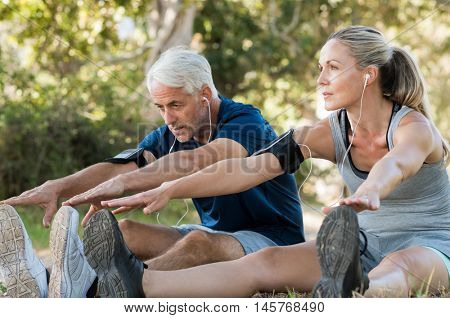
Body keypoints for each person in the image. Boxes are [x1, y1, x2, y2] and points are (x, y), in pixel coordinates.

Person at [92, 25, 449, 297]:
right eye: (320, 67)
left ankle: (354, 293)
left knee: (400, 266)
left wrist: (371, 190)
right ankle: (140, 284)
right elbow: (249, 169)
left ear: (368, 74)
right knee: (264, 262)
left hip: (429, 243)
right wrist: (172, 187)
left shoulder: (414, 127)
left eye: (333, 67)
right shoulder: (325, 133)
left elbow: (397, 163)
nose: (320, 79)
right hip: (362, 244)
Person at [0, 47, 304, 297]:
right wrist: (59, 186)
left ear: (205, 94)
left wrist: (125, 183)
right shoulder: (172, 134)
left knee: (197, 243)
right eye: (160, 107)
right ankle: (44, 283)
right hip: (219, 235)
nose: (168, 117)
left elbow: (208, 158)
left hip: (273, 240)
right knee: (127, 231)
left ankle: (103, 294)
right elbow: (120, 166)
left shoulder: (245, 119)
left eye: (175, 104)